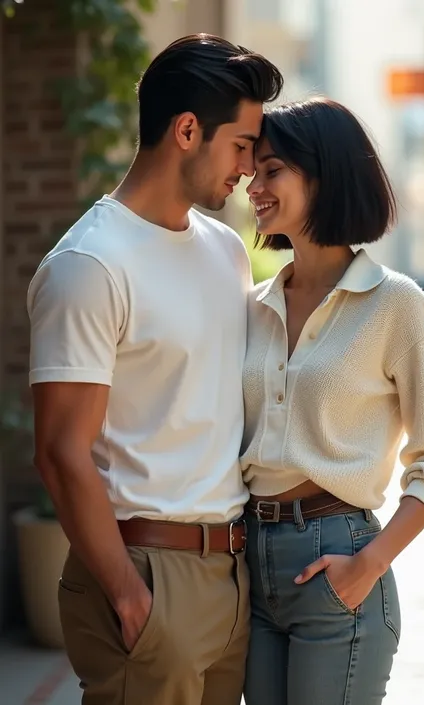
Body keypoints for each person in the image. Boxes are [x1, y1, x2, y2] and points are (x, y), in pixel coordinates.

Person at [27, 34, 283, 705]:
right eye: (240, 146)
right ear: (188, 130)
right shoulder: (90, 263)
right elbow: (60, 451)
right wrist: (129, 594)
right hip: (145, 572)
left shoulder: (226, 251)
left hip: (231, 575)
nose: (250, 169)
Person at [241, 96, 424, 705]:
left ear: (325, 174)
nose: (253, 186)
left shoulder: (395, 305)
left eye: (272, 170)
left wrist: (367, 565)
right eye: (252, 171)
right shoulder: (252, 306)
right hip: (247, 564)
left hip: (335, 557)